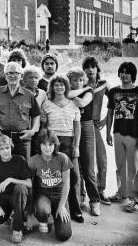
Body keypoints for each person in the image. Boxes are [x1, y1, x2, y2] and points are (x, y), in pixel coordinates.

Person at [106, 61, 138, 212]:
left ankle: (135, 199)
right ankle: (121, 193)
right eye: (122, 72)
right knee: (119, 166)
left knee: (133, 168)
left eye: (127, 72)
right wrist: (108, 133)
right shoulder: (113, 92)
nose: (124, 75)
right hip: (118, 133)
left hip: (134, 135)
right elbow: (110, 113)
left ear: (133, 75)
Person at [41, 74, 83, 223]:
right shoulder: (47, 105)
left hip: (69, 142)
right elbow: (44, 128)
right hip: (53, 143)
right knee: (55, 177)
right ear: (52, 87)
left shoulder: (73, 104)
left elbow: (77, 127)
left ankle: (76, 210)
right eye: (56, 85)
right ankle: (55, 209)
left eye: (62, 85)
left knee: (74, 177)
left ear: (66, 87)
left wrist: (76, 146)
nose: (59, 87)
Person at [0, 62, 40, 161]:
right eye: (9, 73)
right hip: (2, 137)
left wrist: (32, 130)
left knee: (24, 167)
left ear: (21, 76)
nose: (12, 76)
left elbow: (36, 114)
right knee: (3, 168)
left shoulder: (29, 95)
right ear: (5, 76)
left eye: (16, 73)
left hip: (22, 139)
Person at [66, 67, 101, 216]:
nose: (79, 82)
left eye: (81, 80)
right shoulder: (73, 91)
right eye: (75, 80)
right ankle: (79, 199)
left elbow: (81, 103)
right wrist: (69, 93)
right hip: (71, 126)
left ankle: (94, 201)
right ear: (70, 81)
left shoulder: (89, 91)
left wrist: (70, 94)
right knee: (75, 168)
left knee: (88, 167)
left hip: (85, 127)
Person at [28, 129, 73, 242]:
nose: (47, 148)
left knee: (64, 235)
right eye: (44, 144)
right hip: (43, 193)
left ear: (55, 145)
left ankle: (56, 211)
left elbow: (67, 183)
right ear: (39, 144)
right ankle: (43, 219)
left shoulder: (62, 158)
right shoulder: (33, 161)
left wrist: (62, 205)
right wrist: (29, 212)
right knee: (42, 210)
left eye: (51, 144)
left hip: (59, 194)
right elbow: (30, 186)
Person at [0, 135, 33, 244]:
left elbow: (29, 184)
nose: (5, 151)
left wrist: (10, 179)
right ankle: (11, 215)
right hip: (3, 198)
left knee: (20, 188)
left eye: (7, 148)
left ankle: (17, 229)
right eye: (2, 149)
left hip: (19, 197)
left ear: (11, 147)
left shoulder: (19, 160)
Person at [82, 56, 112, 205]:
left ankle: (101, 189)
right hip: (82, 125)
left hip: (95, 125)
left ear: (97, 68)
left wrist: (106, 119)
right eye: (87, 67)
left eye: (92, 67)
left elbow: (115, 101)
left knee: (102, 159)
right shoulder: (81, 85)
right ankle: (82, 193)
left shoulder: (104, 84)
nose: (90, 70)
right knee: (85, 160)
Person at [22, 65, 47, 156]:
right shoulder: (21, 92)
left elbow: (44, 111)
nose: (33, 80)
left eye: (36, 78)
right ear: (24, 79)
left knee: (36, 153)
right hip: (24, 129)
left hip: (37, 129)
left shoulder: (42, 93)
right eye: (30, 77)